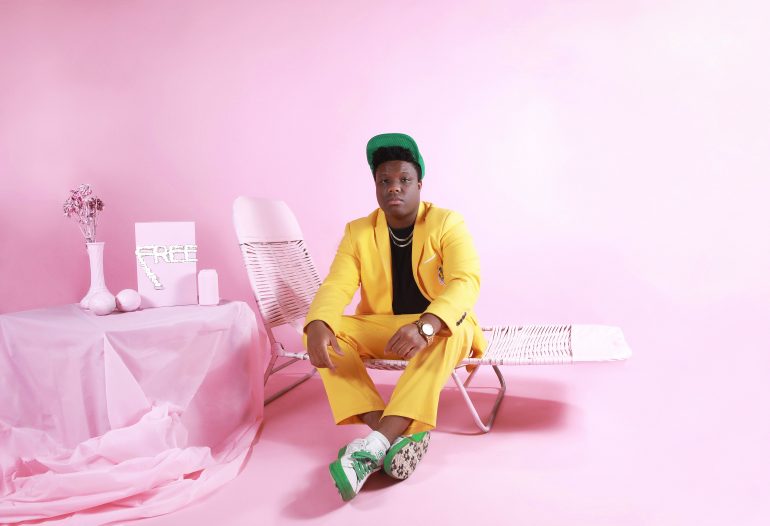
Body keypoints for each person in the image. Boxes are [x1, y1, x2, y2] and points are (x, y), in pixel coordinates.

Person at [303, 132, 486, 501]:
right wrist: (318, 323)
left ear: (419, 184)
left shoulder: (447, 223)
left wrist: (427, 324)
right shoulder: (358, 232)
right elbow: (337, 284)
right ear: (376, 186)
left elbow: (465, 281)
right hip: (387, 327)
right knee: (328, 331)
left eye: (404, 179)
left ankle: (369, 449)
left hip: (444, 325)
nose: (394, 188)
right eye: (384, 181)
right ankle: (391, 435)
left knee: (451, 330)